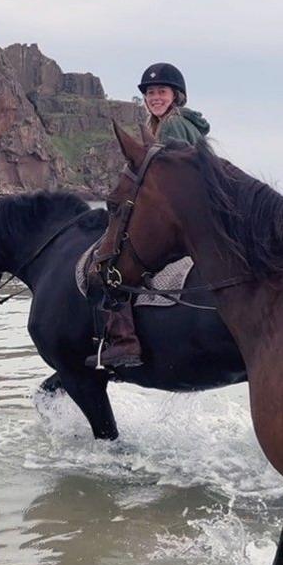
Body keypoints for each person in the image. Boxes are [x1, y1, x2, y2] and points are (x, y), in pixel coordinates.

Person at [86, 62, 211, 370]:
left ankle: (125, 341)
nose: (155, 97)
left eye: (161, 92)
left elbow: (171, 179)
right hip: (193, 212)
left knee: (116, 266)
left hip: (183, 217)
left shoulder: (172, 126)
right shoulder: (170, 124)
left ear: (176, 95)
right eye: (150, 93)